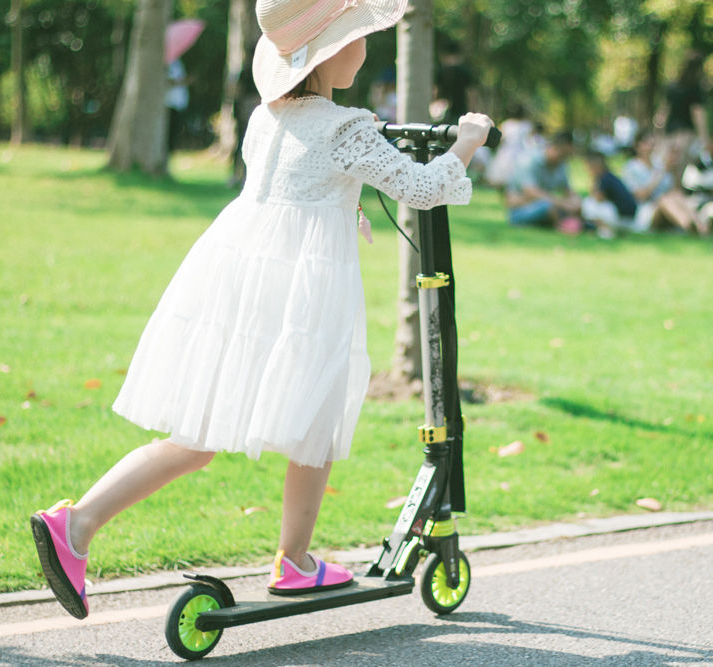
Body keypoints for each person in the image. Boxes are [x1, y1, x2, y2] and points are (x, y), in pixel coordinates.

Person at [29, 0, 495, 620]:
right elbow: (423, 188)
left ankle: (77, 521)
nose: (365, 49)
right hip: (304, 285)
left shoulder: (265, 118)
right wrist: (466, 141)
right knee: (317, 416)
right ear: (330, 53)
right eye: (358, 39)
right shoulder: (347, 125)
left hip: (238, 274)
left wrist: (347, 203)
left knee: (197, 433)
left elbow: (294, 183)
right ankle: (294, 561)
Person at [621, 132, 709, 234]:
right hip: (647, 211)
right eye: (646, 143)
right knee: (663, 200)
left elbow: (674, 190)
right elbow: (641, 196)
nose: (650, 146)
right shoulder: (631, 167)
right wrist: (662, 173)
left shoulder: (658, 164)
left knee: (676, 195)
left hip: (668, 206)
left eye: (651, 143)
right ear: (637, 146)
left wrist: (673, 170)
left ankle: (700, 225)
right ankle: (688, 227)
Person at [504, 131, 581, 230]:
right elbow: (530, 191)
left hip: (547, 204)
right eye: (563, 155)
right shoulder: (528, 160)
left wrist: (576, 201)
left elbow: (568, 190)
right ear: (553, 148)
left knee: (570, 206)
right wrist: (562, 203)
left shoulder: (561, 165)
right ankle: (561, 225)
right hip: (522, 209)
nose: (564, 159)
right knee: (548, 207)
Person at [657, 52, 709, 186]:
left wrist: (659, 132)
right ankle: (675, 197)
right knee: (679, 170)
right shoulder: (695, 87)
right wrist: (704, 137)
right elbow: (697, 112)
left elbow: (663, 112)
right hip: (685, 133)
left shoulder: (672, 86)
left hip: (670, 133)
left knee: (667, 167)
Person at [580, 151, 636, 238]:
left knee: (588, 203)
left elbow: (598, 198)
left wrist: (593, 183)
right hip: (630, 216)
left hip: (620, 217)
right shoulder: (611, 177)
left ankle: (604, 229)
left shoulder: (604, 179)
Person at [165, 59, 190, 152]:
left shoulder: (178, 63)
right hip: (170, 103)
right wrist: (183, 81)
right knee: (168, 134)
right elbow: (168, 81)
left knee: (175, 132)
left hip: (179, 104)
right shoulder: (167, 63)